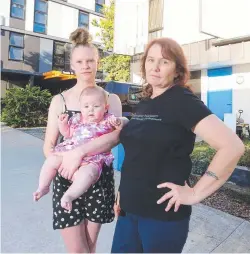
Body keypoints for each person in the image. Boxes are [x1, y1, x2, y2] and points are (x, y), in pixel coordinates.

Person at [111, 38, 245, 253]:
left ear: (177, 70)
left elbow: (232, 146)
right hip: (128, 210)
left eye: (164, 62)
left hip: (161, 217)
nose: (155, 67)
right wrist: (122, 193)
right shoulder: (146, 101)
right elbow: (139, 153)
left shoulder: (183, 101)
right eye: (151, 60)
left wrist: (195, 193)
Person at [42, 28, 122, 253]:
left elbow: (114, 137)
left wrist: (80, 154)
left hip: (98, 177)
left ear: (98, 63)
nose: (86, 65)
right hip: (67, 178)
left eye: (90, 60)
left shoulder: (110, 99)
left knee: (90, 245)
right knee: (77, 250)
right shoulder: (60, 101)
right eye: (80, 61)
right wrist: (67, 164)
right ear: (72, 65)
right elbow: (49, 146)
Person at [34, 86, 128, 212]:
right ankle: (43, 186)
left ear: (105, 108)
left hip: (92, 158)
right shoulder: (78, 119)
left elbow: (125, 123)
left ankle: (69, 196)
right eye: (86, 106)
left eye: (96, 106)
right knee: (51, 160)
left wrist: (120, 121)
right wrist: (62, 125)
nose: (91, 110)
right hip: (70, 152)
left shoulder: (107, 119)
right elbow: (68, 134)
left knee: (89, 173)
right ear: (81, 107)